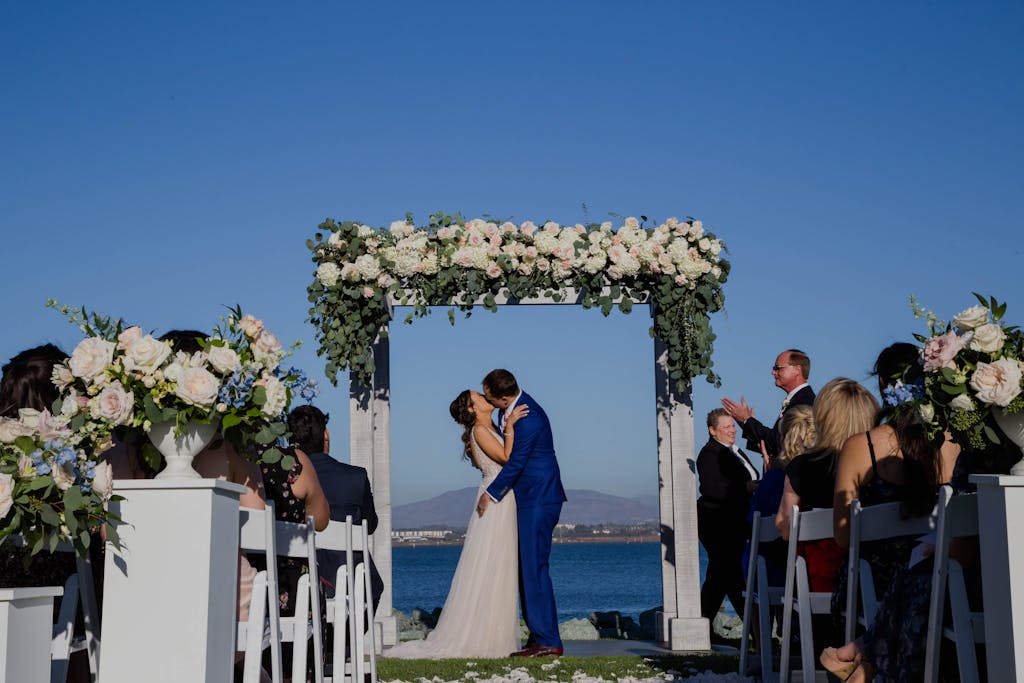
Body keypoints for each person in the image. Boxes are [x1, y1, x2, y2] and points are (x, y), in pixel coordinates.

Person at [387, 389, 528, 659]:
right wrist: (510, 426)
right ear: (473, 409)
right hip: (496, 501)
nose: (486, 399)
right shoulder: (481, 431)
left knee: (496, 567)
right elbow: (508, 459)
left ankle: (492, 634)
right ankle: (485, 638)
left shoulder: (486, 428)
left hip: (498, 498)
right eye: (479, 398)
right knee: (492, 565)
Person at [477, 369, 567, 658]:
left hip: (538, 499)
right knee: (528, 568)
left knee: (535, 568)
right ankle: (539, 635)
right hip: (529, 499)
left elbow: (515, 464)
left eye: (488, 395)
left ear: (503, 397)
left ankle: (548, 640)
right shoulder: (513, 411)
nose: (485, 399)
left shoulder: (529, 417)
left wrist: (490, 494)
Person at [775, 378, 879, 593]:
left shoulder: (802, 467)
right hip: (875, 585)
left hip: (817, 586)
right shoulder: (882, 467)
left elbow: (784, 527)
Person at [287, 404, 382, 607]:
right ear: (326, 435)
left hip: (301, 595)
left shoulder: (286, 483)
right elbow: (370, 525)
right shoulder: (356, 477)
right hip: (357, 593)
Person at [696, 408, 759, 625]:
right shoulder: (709, 454)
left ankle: (702, 623)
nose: (732, 430)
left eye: (732, 425)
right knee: (730, 574)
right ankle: (753, 629)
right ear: (713, 431)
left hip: (737, 522)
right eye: (726, 427)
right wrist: (746, 487)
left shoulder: (735, 451)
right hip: (718, 523)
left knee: (720, 575)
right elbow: (712, 488)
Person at [744, 404, 816, 587]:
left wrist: (768, 474)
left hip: (776, 574)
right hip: (817, 570)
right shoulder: (825, 475)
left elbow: (753, 525)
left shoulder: (775, 480)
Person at [722, 349, 815, 461]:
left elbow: (778, 442)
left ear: (797, 369)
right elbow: (774, 442)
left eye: (777, 368)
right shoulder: (798, 399)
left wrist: (748, 420)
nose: (773, 373)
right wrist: (746, 423)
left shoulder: (804, 402)